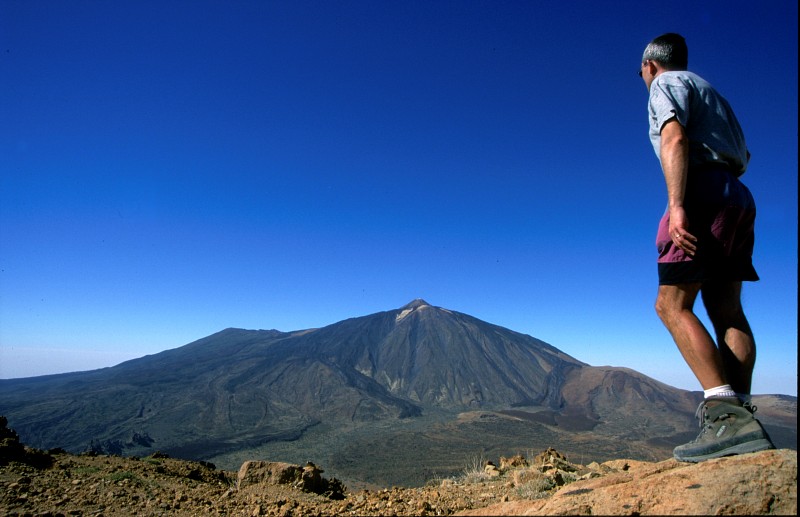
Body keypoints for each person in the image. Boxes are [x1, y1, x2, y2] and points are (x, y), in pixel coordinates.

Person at [639, 33, 775, 462]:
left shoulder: (665, 84)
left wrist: (678, 206)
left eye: (640, 71)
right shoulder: (716, 97)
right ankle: (743, 414)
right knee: (727, 309)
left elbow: (674, 140)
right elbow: (745, 155)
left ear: (650, 65)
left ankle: (724, 416)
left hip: (700, 192)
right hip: (737, 195)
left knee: (671, 305)